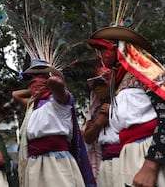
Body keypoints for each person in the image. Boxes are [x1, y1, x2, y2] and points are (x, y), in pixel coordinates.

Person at [88, 26, 165, 187]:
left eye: (104, 49)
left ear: (120, 48)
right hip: (127, 154)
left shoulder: (148, 73)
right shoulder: (120, 84)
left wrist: (151, 165)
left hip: (148, 153)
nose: (101, 56)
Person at [19, 59, 95, 187]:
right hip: (34, 163)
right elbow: (15, 94)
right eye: (31, 82)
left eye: (40, 80)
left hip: (56, 160)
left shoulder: (60, 102)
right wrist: (35, 92)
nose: (35, 84)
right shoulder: (32, 107)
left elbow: (56, 84)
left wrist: (50, 71)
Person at [83, 66, 122, 186]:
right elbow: (88, 138)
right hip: (104, 161)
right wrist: (99, 122)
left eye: (102, 84)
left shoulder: (125, 103)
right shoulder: (95, 112)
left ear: (111, 84)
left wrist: (113, 113)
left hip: (125, 158)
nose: (98, 89)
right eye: (95, 86)